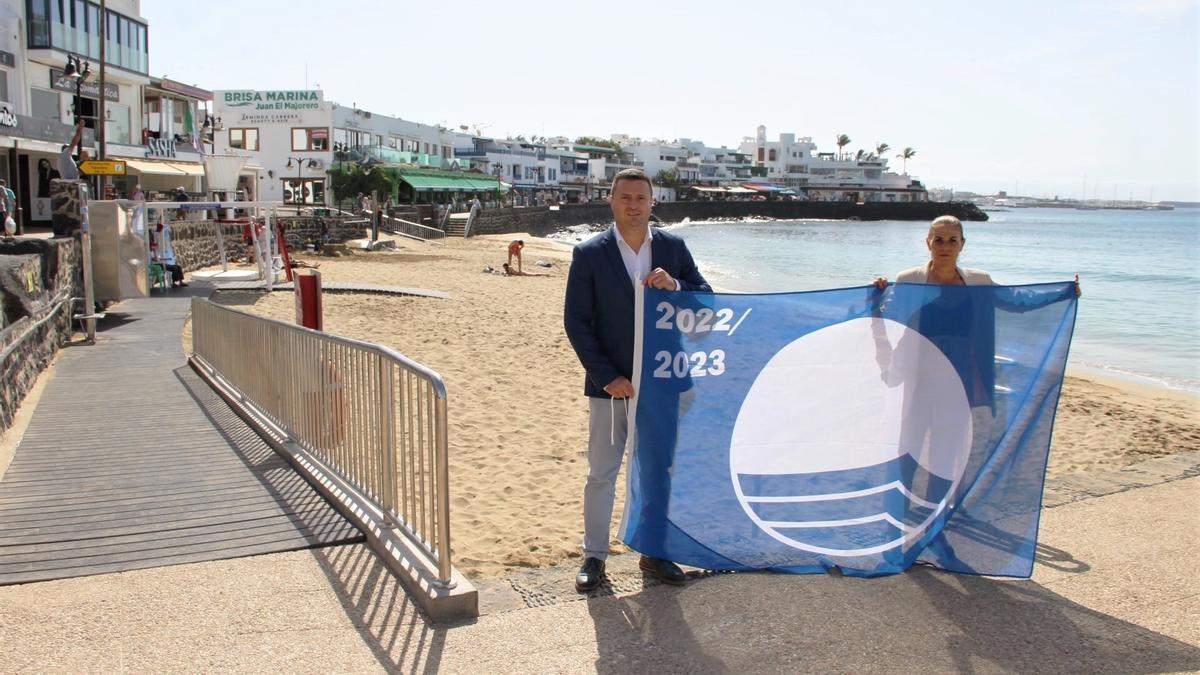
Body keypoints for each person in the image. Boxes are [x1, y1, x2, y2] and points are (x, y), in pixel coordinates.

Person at [563, 167, 711, 593]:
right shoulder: (589, 253)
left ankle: (654, 552)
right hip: (612, 388)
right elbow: (576, 322)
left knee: (658, 470)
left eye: (640, 198)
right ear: (611, 201)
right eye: (625, 197)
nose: (633, 205)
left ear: (652, 203)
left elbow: (706, 301)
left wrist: (677, 285)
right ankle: (594, 556)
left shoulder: (673, 247)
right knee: (602, 473)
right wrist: (607, 376)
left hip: (665, 381)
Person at [152, 222, 186, 287]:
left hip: (163, 263)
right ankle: (173, 283)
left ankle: (181, 282)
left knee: (178, 267)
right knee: (174, 268)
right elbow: (154, 260)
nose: (156, 246)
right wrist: (156, 257)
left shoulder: (155, 251)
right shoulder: (152, 252)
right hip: (160, 265)